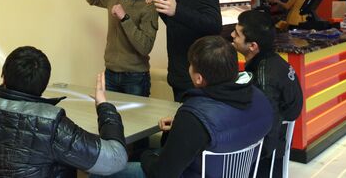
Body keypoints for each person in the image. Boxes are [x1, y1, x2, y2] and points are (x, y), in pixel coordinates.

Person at [92, 36, 273, 178]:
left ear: (198, 78)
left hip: (194, 174)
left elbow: (162, 174)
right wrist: (179, 129)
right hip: (232, 172)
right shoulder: (259, 97)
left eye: (191, 65)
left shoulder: (194, 116)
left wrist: (146, 155)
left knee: (103, 170)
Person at [0, 46, 128, 177]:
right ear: (44, 85)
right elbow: (115, 158)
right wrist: (104, 106)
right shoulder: (51, 123)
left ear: (3, 75)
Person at [232, 10, 303, 178]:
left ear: (252, 46)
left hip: (267, 159)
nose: (232, 35)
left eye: (237, 33)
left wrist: (255, 156)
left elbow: (269, 123)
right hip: (276, 144)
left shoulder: (264, 76)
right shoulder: (273, 61)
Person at [151, 0, 222, 102]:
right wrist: (161, 7)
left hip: (196, 77)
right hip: (178, 75)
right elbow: (177, 25)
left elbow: (214, 25)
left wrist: (177, 10)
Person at [86, 0, 160, 97]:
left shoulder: (149, 5)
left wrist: (124, 18)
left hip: (135, 78)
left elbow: (145, 47)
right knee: (108, 116)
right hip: (110, 72)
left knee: (134, 119)